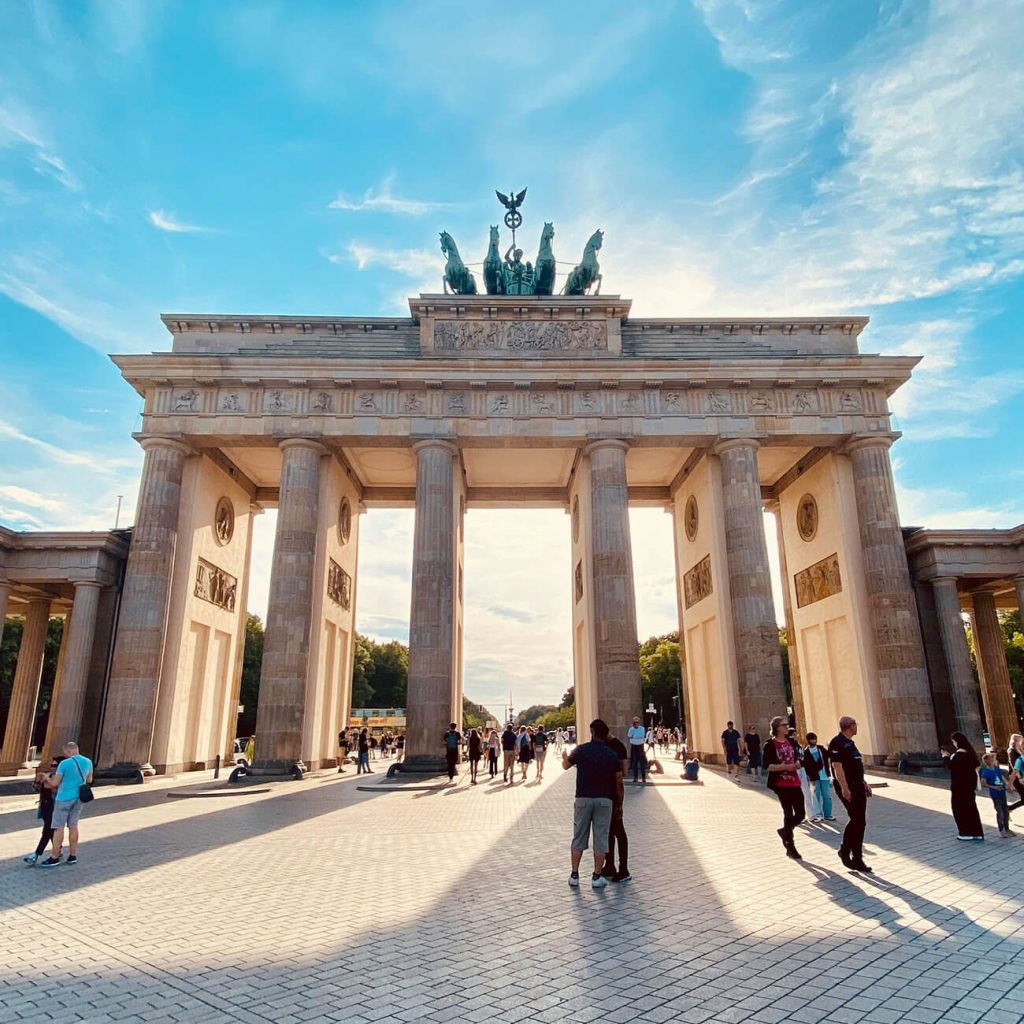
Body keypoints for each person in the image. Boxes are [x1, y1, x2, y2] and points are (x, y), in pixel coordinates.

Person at [562, 718, 623, 889]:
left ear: (592, 732)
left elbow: (566, 765)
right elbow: (619, 782)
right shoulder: (612, 755)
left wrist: (564, 757)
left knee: (579, 836)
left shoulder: (581, 750)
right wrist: (619, 804)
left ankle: (574, 874)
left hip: (583, 798)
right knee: (601, 838)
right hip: (605, 800)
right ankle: (597, 876)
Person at [828, 716, 873, 872]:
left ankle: (855, 856)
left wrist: (864, 783)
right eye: (856, 724)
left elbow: (856, 767)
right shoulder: (837, 742)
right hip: (848, 787)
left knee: (860, 821)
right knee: (856, 819)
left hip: (858, 786)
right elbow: (837, 767)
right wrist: (844, 787)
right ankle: (847, 852)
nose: (857, 727)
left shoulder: (851, 744)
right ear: (850, 726)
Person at [40, 741, 93, 867]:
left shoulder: (64, 763)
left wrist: (47, 777)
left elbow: (54, 783)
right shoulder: (87, 761)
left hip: (64, 797)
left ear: (68, 751)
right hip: (79, 798)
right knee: (73, 826)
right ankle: (73, 855)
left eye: (66, 753)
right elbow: (90, 780)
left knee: (59, 827)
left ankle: (55, 857)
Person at [762, 716, 804, 860]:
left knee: (800, 814)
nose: (787, 727)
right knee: (788, 812)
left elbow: (798, 755)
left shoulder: (791, 741)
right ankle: (790, 846)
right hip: (781, 784)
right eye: (785, 725)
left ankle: (785, 831)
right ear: (777, 727)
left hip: (795, 782)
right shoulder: (770, 745)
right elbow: (768, 766)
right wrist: (786, 767)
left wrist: (798, 762)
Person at [601, 729, 631, 883]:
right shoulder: (614, 746)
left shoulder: (617, 747)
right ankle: (610, 865)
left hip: (613, 794)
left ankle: (624, 869)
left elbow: (623, 773)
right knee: (609, 831)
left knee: (618, 831)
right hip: (607, 794)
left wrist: (620, 803)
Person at [942, 731, 984, 840]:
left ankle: (966, 833)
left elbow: (953, 767)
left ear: (957, 742)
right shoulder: (970, 753)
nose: (954, 744)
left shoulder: (960, 754)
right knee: (972, 809)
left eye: (954, 742)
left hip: (960, 787)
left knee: (959, 809)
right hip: (970, 786)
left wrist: (945, 757)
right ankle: (977, 832)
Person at [24, 756, 58, 865]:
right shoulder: (50, 775)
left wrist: (47, 780)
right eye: (52, 765)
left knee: (47, 830)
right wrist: (37, 780)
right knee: (51, 830)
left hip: (54, 807)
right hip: (44, 807)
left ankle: (36, 854)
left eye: (55, 765)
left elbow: (55, 788)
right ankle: (58, 850)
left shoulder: (60, 777)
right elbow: (36, 789)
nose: (52, 768)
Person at [979, 752, 1014, 837]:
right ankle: (1001, 830)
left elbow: (1003, 779)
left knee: (1005, 811)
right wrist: (993, 787)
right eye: (995, 759)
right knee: (1000, 811)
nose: (997, 761)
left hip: (1002, 793)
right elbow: (983, 783)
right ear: (991, 761)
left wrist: (1009, 786)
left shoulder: (997, 770)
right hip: (995, 794)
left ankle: (1007, 828)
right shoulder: (985, 772)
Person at [802, 732, 834, 821]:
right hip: (814, 777)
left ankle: (828, 814)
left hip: (824, 776)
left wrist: (830, 748)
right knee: (816, 796)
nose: (814, 740)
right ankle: (818, 814)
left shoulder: (821, 748)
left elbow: (829, 755)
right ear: (808, 740)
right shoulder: (806, 752)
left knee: (827, 796)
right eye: (812, 739)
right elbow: (807, 766)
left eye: (815, 738)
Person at [626, 716, 647, 783]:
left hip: (640, 746)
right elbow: (629, 735)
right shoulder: (631, 729)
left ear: (639, 722)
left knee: (642, 762)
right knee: (634, 762)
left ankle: (643, 777)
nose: (636, 724)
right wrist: (635, 736)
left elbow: (641, 735)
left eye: (637, 722)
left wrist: (634, 736)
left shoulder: (642, 728)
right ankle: (635, 777)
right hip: (634, 746)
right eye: (635, 723)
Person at [1007, 734, 1024, 814]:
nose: (1021, 742)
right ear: (1016, 741)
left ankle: (1009, 808)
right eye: (1020, 740)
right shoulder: (1011, 751)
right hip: (1016, 778)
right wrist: (1020, 778)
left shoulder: (1019, 749)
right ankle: (1008, 808)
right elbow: (1014, 766)